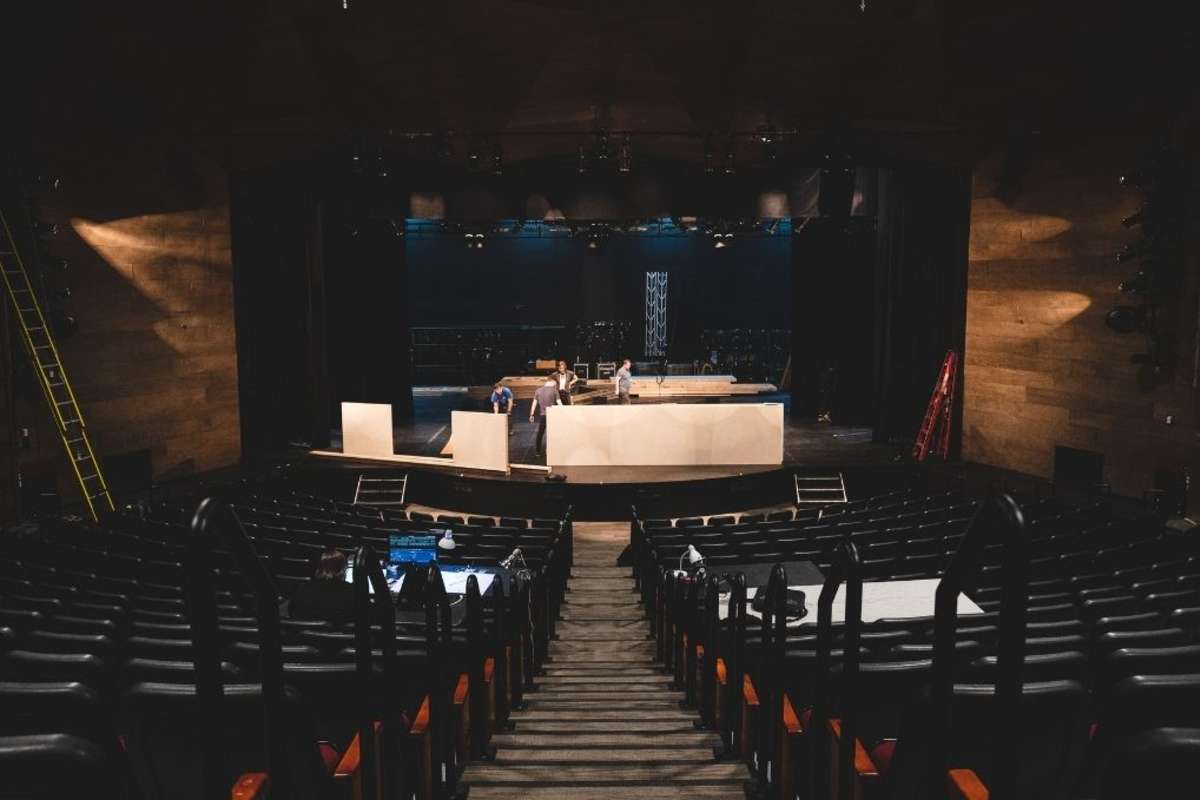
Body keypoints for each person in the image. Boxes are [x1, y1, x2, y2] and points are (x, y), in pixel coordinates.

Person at [289, 548, 355, 624]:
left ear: (319, 568)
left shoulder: (302, 589)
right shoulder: (352, 592)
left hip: (307, 635)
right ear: (343, 569)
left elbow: (292, 613)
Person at [529, 374, 562, 456]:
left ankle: (538, 451)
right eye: (555, 383)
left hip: (543, 415)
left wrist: (531, 414)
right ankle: (550, 450)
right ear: (552, 381)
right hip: (552, 415)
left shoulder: (538, 390)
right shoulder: (555, 391)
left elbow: (534, 404)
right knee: (553, 434)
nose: (555, 385)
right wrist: (565, 411)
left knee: (540, 433)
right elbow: (559, 403)